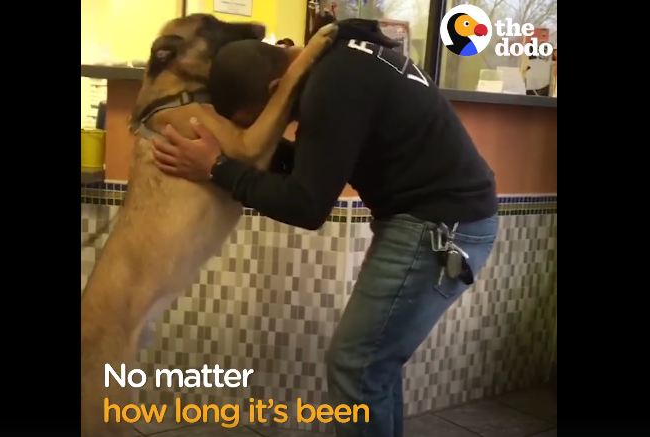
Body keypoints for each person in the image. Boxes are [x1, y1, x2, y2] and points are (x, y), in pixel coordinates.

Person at [151, 20, 498, 437]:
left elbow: (306, 205)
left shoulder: (332, 85)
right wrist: (225, 157)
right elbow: (315, 164)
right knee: (373, 370)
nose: (274, 126)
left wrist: (217, 167)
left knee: (355, 367)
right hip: (441, 220)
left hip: (440, 227)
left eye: (267, 117)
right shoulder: (343, 61)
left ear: (279, 85)